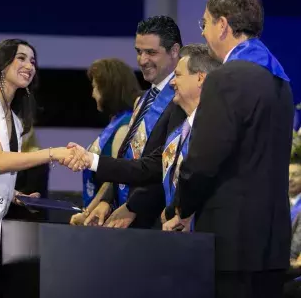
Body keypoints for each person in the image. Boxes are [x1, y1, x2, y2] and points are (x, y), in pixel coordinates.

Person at [164, 0, 293, 298]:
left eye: (205, 24)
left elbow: (204, 160)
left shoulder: (227, 77)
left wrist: (180, 207)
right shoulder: (281, 79)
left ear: (223, 25)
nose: (205, 33)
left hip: (231, 242)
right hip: (272, 243)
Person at [0, 39, 75, 298]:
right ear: (2, 64)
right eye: (21, 58)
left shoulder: (15, 119)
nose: (29, 65)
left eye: (33, 61)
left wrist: (14, 195)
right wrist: (52, 154)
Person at [64, 44, 221, 230]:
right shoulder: (179, 131)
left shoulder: (215, 128)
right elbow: (148, 168)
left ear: (200, 78)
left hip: (206, 233)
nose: (172, 82)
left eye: (178, 75)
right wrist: (91, 160)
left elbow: (200, 178)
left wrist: (179, 211)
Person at [78, 16, 182, 229]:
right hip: (127, 219)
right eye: (139, 51)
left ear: (174, 51)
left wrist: (134, 206)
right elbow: (126, 156)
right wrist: (107, 199)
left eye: (151, 52)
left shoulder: (181, 98)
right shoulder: (145, 98)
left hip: (155, 221)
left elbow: (162, 166)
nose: (142, 60)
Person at [70, 58, 141, 225]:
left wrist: (88, 214)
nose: (92, 94)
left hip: (110, 219)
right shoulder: (115, 122)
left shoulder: (125, 126)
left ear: (108, 89)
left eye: (95, 87)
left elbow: (114, 178)